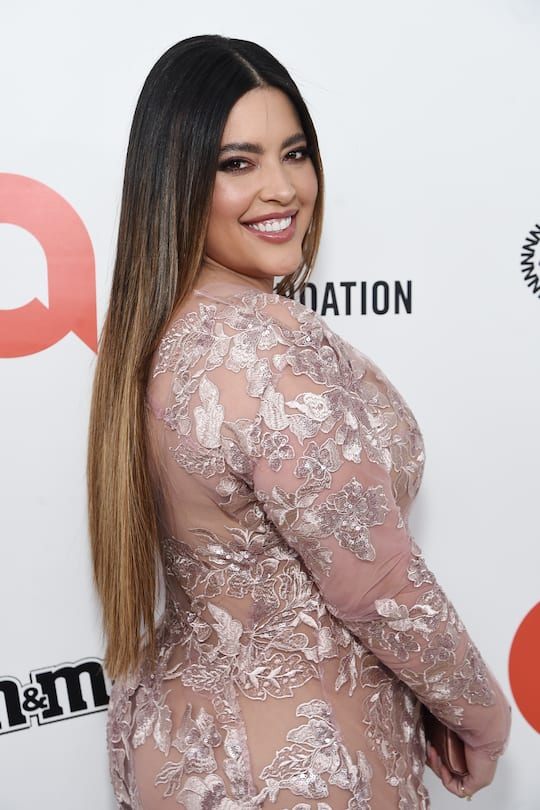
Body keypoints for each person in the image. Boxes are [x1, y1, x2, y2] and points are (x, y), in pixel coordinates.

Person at [87, 35, 511, 810]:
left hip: (173, 748)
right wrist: (481, 713)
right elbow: (376, 579)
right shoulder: (269, 340)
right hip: (305, 768)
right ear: (175, 179)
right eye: (237, 164)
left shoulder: (150, 335)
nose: (282, 189)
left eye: (296, 153)